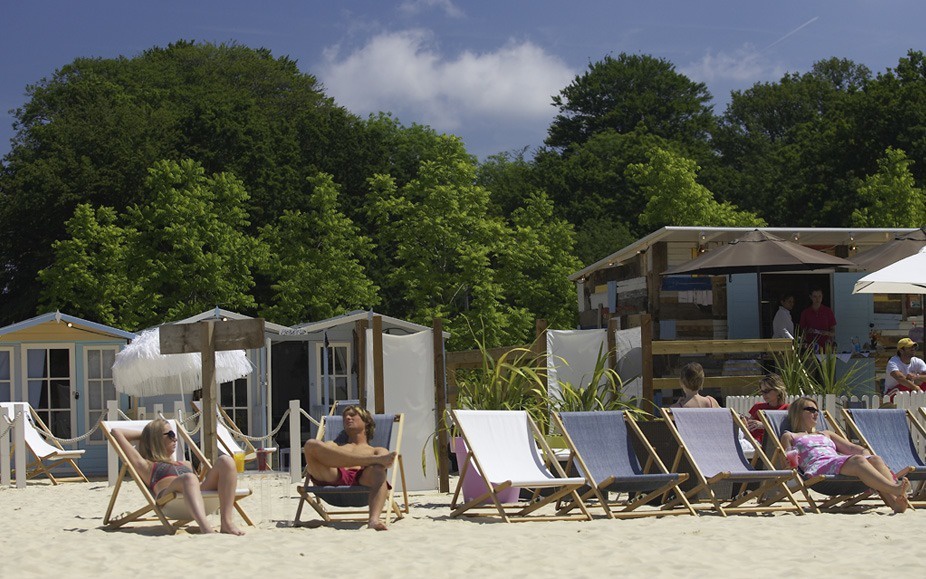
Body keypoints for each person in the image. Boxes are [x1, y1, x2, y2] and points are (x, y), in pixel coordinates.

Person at [111, 418, 245, 535]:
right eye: (170, 435)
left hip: (194, 495)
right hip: (169, 499)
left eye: (174, 434)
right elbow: (116, 432)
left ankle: (226, 523)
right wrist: (148, 436)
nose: (175, 438)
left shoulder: (186, 463)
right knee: (189, 478)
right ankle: (205, 528)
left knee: (226, 461)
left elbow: (196, 485)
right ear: (156, 439)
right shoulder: (146, 465)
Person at [781, 397, 911, 513]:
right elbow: (786, 462)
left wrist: (866, 455)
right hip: (818, 469)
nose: (816, 413)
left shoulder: (826, 433)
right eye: (810, 410)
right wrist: (789, 464)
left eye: (817, 410)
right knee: (858, 460)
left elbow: (851, 448)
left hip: (836, 462)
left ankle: (895, 502)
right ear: (798, 412)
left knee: (875, 459)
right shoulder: (790, 436)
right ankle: (894, 488)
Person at [303, 405, 397, 531]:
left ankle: (374, 520)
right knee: (310, 445)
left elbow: (386, 462)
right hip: (333, 476)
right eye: (345, 417)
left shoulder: (377, 450)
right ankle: (370, 460)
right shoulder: (333, 445)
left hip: (362, 479)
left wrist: (376, 461)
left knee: (378, 470)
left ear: (366, 421)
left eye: (352, 415)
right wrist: (372, 460)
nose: (347, 418)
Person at [743, 374, 789, 444]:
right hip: (751, 442)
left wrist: (763, 425)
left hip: (769, 445)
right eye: (762, 392)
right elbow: (748, 426)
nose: (764, 394)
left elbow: (786, 430)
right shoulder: (758, 407)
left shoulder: (786, 409)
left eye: (767, 391)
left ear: (778, 390)